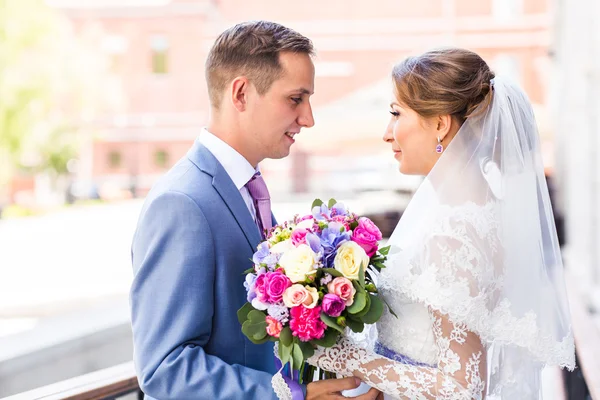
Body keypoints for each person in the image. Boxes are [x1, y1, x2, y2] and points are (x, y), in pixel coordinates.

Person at [130, 20, 381, 400]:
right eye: (296, 99)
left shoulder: (247, 188)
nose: (308, 118)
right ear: (242, 93)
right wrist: (290, 397)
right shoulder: (181, 203)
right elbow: (165, 368)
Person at [306, 48, 576, 399]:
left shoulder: (453, 233)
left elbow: (463, 388)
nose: (388, 133)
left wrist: (350, 359)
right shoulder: (471, 210)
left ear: (440, 124)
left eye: (396, 114)